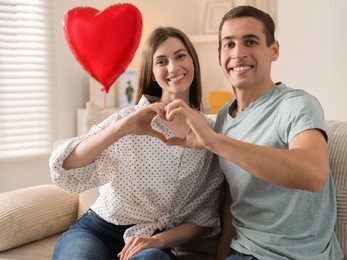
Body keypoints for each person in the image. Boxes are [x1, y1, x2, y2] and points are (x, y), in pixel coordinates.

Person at [156, 6, 344, 260]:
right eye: (229, 44)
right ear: (220, 54)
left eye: (250, 42)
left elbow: (313, 174)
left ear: (273, 50)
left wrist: (215, 141)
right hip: (243, 251)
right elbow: (234, 197)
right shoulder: (224, 116)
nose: (238, 53)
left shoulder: (296, 104)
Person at [49, 26, 224, 260]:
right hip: (97, 230)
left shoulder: (209, 134)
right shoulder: (131, 118)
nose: (173, 67)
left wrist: (158, 240)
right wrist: (123, 128)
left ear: (193, 62)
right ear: (152, 72)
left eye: (180, 56)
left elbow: (204, 217)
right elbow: (65, 164)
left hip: (153, 242)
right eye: (161, 61)